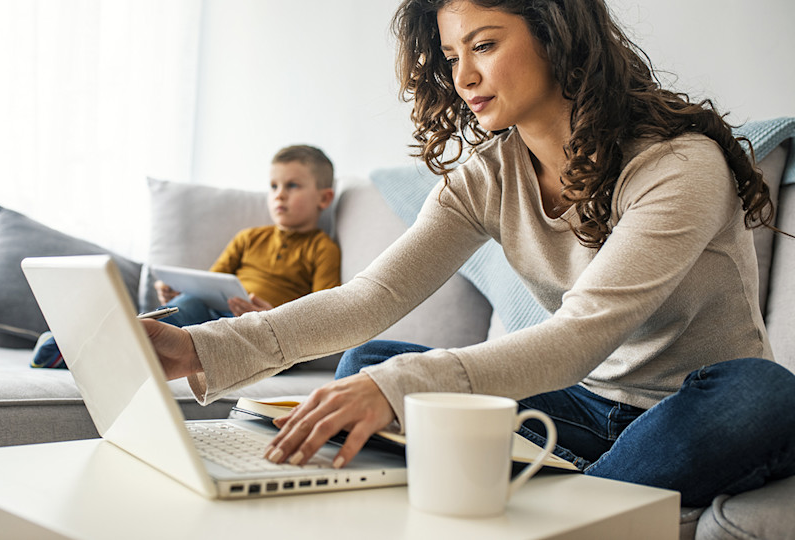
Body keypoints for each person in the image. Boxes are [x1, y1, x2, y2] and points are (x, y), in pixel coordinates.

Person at [141, 0, 795, 507]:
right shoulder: (488, 176)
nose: (465, 77)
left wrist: (394, 390)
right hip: (584, 409)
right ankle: (580, 488)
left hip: (697, 406)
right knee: (369, 362)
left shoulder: (678, 165)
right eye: (453, 56)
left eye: (484, 45)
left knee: (761, 395)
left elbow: (580, 336)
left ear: (557, 34)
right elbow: (374, 298)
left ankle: (573, 500)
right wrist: (201, 347)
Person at [154, 144, 341, 327]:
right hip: (213, 312)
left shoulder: (323, 249)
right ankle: (151, 331)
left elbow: (323, 314)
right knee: (188, 303)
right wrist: (178, 292)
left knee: (243, 330)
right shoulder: (249, 237)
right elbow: (210, 284)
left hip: (262, 327)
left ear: (324, 198)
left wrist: (274, 319)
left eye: (292, 185)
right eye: (274, 186)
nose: (279, 195)